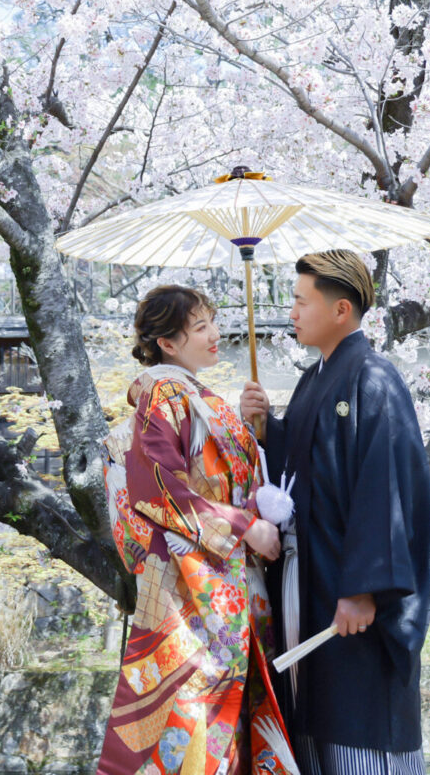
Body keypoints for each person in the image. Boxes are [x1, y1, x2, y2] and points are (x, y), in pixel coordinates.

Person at [239, 251, 430, 775]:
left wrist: (363, 588)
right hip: (309, 581)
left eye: (302, 301)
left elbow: (385, 490)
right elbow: (299, 473)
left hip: (351, 594)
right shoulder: (313, 381)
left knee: (356, 723)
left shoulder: (373, 380)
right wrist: (266, 431)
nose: (293, 311)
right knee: (314, 720)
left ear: (341, 309)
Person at [99, 285, 301, 775]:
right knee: (200, 717)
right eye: (201, 327)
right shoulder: (163, 392)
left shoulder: (197, 395)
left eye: (213, 321)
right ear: (168, 344)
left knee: (227, 717)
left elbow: (231, 478)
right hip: (199, 585)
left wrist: (255, 429)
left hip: (230, 578)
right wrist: (243, 526)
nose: (215, 335)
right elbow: (159, 488)